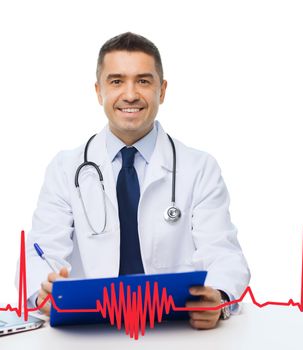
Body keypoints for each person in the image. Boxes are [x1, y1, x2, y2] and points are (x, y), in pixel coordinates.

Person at [16, 32, 250, 330]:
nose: (130, 94)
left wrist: (218, 296)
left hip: (175, 329)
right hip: (92, 329)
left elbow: (223, 252)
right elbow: (41, 251)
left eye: (143, 81)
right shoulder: (65, 169)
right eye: (116, 81)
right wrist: (42, 294)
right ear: (98, 91)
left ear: (161, 91)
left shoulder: (199, 167)